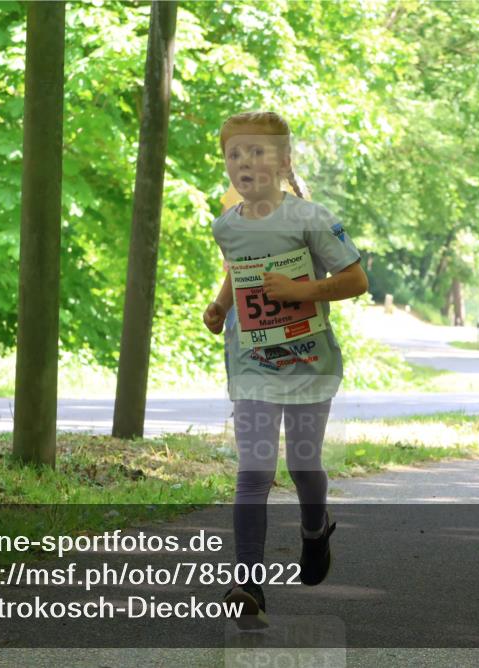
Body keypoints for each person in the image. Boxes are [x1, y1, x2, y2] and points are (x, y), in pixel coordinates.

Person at [203, 111, 368, 629]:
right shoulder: (225, 225)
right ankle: (248, 584)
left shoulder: (311, 219)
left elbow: (356, 279)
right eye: (235, 154)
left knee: (302, 468)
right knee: (252, 472)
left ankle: (315, 529)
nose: (245, 162)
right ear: (226, 164)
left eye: (258, 152)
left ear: (283, 161)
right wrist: (221, 305)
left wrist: (302, 292)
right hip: (251, 363)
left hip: (308, 365)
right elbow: (242, 274)